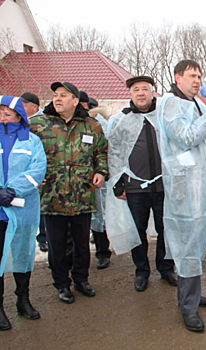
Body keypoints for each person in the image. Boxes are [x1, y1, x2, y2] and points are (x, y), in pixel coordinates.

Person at [154, 60, 206, 332]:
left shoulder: (198, 104)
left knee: (198, 244)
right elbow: (185, 137)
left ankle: (194, 296)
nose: (197, 80)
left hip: (203, 185)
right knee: (187, 247)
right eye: (191, 76)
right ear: (178, 78)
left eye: (199, 75)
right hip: (185, 188)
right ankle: (188, 307)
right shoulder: (170, 103)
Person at [29, 82, 108, 304]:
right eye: (55, 95)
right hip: (53, 195)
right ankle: (62, 284)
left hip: (82, 194)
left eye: (64, 95)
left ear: (75, 100)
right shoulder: (37, 125)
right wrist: (32, 175)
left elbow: (101, 152)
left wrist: (101, 172)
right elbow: (24, 152)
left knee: (82, 243)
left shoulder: (91, 126)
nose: (58, 99)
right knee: (57, 245)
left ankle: (81, 280)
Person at [106, 76, 176, 291]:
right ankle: (141, 271)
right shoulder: (121, 120)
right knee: (138, 231)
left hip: (164, 185)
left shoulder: (165, 117)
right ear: (131, 94)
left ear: (152, 92)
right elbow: (115, 153)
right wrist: (118, 183)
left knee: (167, 229)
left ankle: (166, 268)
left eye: (144, 89)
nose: (140, 93)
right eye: (136, 90)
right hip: (135, 188)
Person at [0, 96, 46, 331]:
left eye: (7, 114)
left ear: (19, 116)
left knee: (23, 254)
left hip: (21, 205)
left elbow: (38, 169)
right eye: (0, 113)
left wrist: (13, 190)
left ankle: (22, 299)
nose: (2, 118)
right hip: (0, 209)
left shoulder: (32, 141)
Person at [79, 91, 112, 269]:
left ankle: (102, 252)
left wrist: (101, 170)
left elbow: (105, 149)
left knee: (98, 215)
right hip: (73, 181)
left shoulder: (99, 124)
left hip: (95, 178)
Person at [20, 92, 47, 253]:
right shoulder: (22, 123)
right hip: (27, 171)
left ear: (34, 106)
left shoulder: (45, 122)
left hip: (42, 171)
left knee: (43, 207)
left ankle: (43, 237)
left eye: (24, 105)